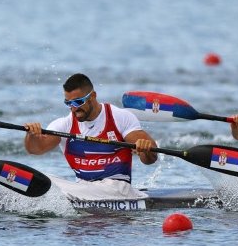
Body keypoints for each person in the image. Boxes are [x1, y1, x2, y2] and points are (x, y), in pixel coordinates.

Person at [23, 73, 157, 189]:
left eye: (78, 102)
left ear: (92, 96)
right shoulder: (64, 125)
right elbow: (36, 149)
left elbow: (150, 159)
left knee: (52, 187)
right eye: (68, 103)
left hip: (117, 189)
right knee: (47, 179)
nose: (73, 108)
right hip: (83, 189)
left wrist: (144, 150)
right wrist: (32, 135)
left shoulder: (120, 117)